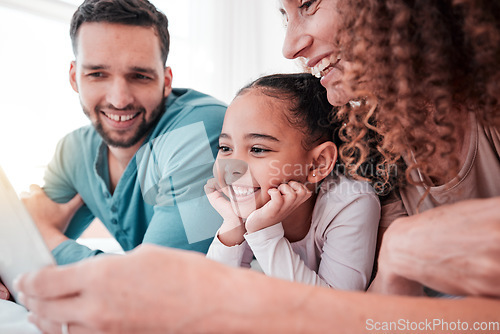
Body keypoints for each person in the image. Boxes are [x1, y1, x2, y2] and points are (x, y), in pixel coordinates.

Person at [14, 0, 500, 333]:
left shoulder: (196, 131)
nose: (289, 46)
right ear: (73, 77)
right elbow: (386, 315)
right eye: (284, 14)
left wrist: (401, 251)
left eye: (309, 2)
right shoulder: (370, 142)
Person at [0, 0, 226, 300]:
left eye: (140, 76)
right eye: (97, 74)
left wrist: (47, 238)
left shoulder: (200, 131)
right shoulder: (74, 151)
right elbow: (21, 248)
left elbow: (155, 288)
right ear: (73, 77)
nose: (119, 99)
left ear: (166, 80)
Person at [205, 73, 379, 288]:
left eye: (258, 149)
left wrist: (263, 232)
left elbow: (334, 310)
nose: (232, 167)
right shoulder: (253, 202)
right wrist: (233, 225)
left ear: (318, 163)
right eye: (225, 148)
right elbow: (211, 295)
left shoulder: (352, 202)